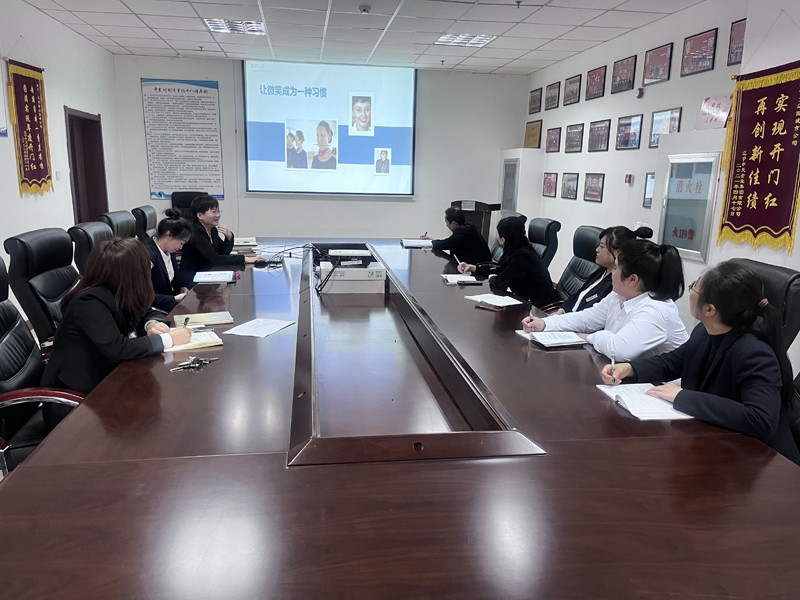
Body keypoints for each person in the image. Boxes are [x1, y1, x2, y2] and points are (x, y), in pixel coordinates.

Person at [601, 262, 800, 465]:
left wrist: (683, 397)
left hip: (765, 465)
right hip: (716, 446)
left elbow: (760, 419)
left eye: (695, 286)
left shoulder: (754, 353)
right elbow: (674, 362)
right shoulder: (704, 331)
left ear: (710, 309)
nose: (692, 290)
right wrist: (631, 369)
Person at [40, 238, 193, 427]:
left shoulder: (118, 290)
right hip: (78, 402)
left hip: (109, 380)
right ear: (131, 272)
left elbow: (148, 311)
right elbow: (118, 348)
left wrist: (150, 323)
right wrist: (167, 339)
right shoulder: (89, 302)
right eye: (147, 266)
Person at [522, 240, 688, 361]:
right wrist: (545, 324)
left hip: (660, 389)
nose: (611, 273)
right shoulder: (619, 295)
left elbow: (618, 350)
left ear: (632, 279)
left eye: (615, 268)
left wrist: (590, 337)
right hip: (624, 374)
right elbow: (586, 318)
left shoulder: (656, 309)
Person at [458, 216, 557, 308]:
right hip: (525, 301)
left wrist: (492, 278)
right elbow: (500, 270)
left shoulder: (523, 257)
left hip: (538, 308)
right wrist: (474, 268)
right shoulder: (517, 249)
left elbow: (500, 282)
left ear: (503, 240)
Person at [558, 225, 653, 314]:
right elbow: (578, 295)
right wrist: (561, 311)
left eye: (602, 246)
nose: (597, 249)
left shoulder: (617, 284)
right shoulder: (601, 271)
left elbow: (592, 317)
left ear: (618, 252)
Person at [180, 194, 258, 275]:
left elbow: (222, 253)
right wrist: (244, 259)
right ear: (200, 215)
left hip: (207, 272)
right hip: (192, 277)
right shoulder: (196, 233)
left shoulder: (212, 229)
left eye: (218, 211)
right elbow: (214, 259)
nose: (218, 215)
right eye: (213, 212)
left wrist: (229, 237)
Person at [146, 208, 193, 312]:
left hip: (169, 305)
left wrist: (181, 289)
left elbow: (172, 280)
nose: (180, 247)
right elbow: (143, 296)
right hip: (154, 310)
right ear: (169, 235)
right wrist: (174, 299)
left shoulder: (169, 250)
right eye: (181, 243)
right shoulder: (147, 256)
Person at [421, 206, 491, 265]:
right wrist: (432, 240)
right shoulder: (467, 229)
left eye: (447, 222)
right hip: (479, 265)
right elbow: (449, 242)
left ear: (454, 223)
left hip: (480, 269)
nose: (446, 225)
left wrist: (432, 242)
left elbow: (444, 244)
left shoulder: (462, 234)